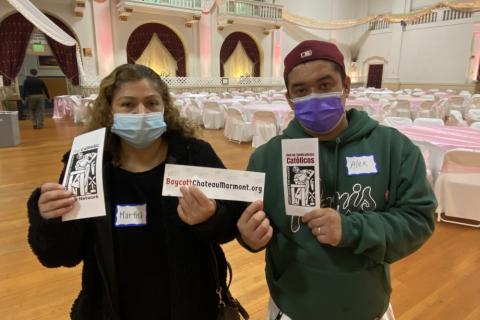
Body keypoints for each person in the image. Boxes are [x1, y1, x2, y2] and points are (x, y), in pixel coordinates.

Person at [237, 40, 436, 320]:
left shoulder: (394, 148)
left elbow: (419, 220)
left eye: (325, 85)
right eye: (301, 90)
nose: (314, 97)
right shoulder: (266, 158)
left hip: (367, 308)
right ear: (289, 99)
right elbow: (251, 227)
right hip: (292, 308)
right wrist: (248, 237)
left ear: (346, 87)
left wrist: (350, 228)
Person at [27, 64, 244, 320]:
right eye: (128, 104)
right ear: (109, 111)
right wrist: (49, 218)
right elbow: (60, 255)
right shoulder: (88, 164)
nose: (141, 113)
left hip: (191, 306)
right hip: (112, 308)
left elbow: (231, 223)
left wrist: (212, 217)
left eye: (152, 103)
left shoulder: (193, 154)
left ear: (164, 108)